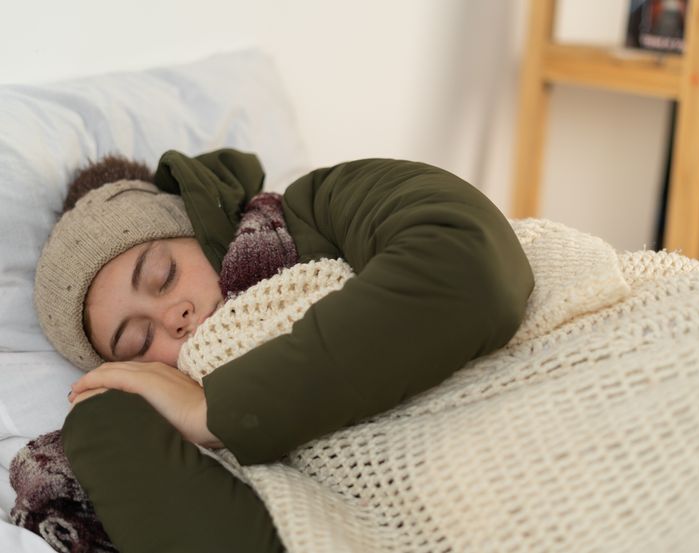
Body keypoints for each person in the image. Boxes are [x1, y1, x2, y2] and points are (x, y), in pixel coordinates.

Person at [33, 149, 535, 552]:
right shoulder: (138, 425)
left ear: (197, 229)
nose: (173, 316)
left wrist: (216, 412)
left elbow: (469, 266)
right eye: (139, 342)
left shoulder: (322, 204)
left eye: (165, 276)